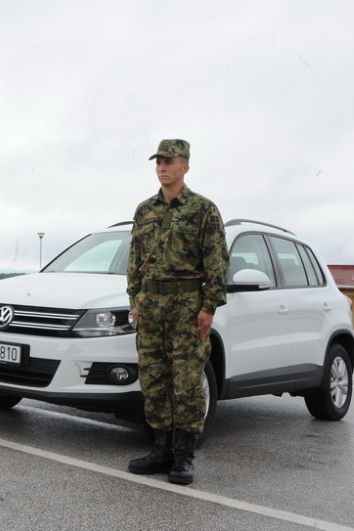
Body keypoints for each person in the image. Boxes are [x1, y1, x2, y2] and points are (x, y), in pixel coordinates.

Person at [126, 139, 229, 485]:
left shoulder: (203, 210)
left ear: (185, 166)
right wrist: (135, 300)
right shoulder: (144, 211)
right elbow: (135, 260)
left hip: (187, 306)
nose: (162, 167)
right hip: (151, 307)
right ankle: (160, 450)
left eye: (169, 162)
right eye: (158, 162)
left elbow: (217, 261)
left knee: (186, 382)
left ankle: (184, 457)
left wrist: (208, 306)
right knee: (154, 379)